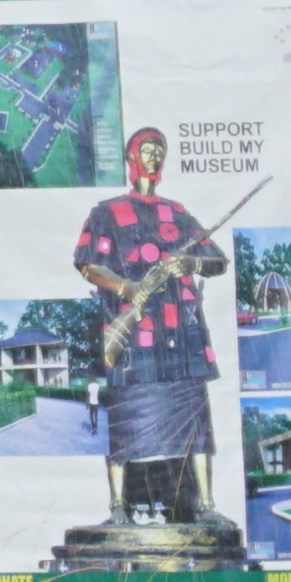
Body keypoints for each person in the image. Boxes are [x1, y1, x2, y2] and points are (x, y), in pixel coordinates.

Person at [72, 126, 229, 528]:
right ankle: (118, 508)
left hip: (181, 337)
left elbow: (217, 260)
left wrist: (191, 263)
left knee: (195, 424)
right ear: (131, 157)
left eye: (159, 148)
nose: (154, 155)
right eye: (146, 148)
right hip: (134, 340)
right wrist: (127, 288)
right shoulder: (107, 212)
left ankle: (207, 505)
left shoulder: (177, 213)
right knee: (125, 425)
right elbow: (88, 264)